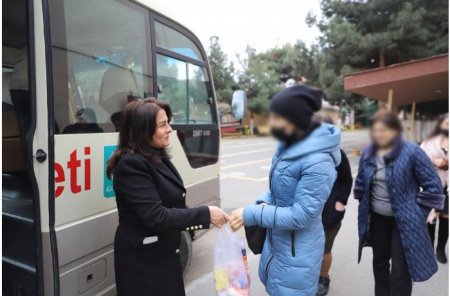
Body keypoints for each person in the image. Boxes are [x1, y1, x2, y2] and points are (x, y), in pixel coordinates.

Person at [106, 98, 229, 296]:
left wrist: (208, 217)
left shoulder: (156, 156)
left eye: (168, 123)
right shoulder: (132, 164)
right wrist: (205, 214)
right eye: (163, 125)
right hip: (144, 264)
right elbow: (156, 216)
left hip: (164, 256)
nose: (170, 129)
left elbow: (173, 203)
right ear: (143, 129)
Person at [229, 85, 342, 296]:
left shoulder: (318, 161)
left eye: (278, 117)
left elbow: (301, 215)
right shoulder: (287, 147)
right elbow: (276, 192)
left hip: (298, 252)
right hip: (279, 243)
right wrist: (262, 202)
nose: (272, 122)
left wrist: (252, 214)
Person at [354, 111, 444, 296]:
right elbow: (361, 181)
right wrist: (361, 197)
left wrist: (419, 212)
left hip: (404, 221)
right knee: (379, 262)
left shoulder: (411, 151)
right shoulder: (369, 153)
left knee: (400, 270)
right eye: (376, 130)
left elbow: (433, 185)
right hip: (378, 219)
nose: (379, 134)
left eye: (384, 130)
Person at [313, 114, 353, 296]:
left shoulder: (338, 155)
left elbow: (346, 179)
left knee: (325, 249)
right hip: (308, 212)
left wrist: (341, 201)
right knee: (307, 248)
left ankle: (323, 278)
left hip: (330, 212)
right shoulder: (304, 153)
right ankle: (309, 276)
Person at [421, 114, 449, 263]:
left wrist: (447, 164)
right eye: (447, 123)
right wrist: (434, 162)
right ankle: (428, 250)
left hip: (448, 187)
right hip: (432, 185)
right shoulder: (429, 142)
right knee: (430, 218)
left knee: (446, 219)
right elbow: (418, 160)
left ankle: (440, 250)